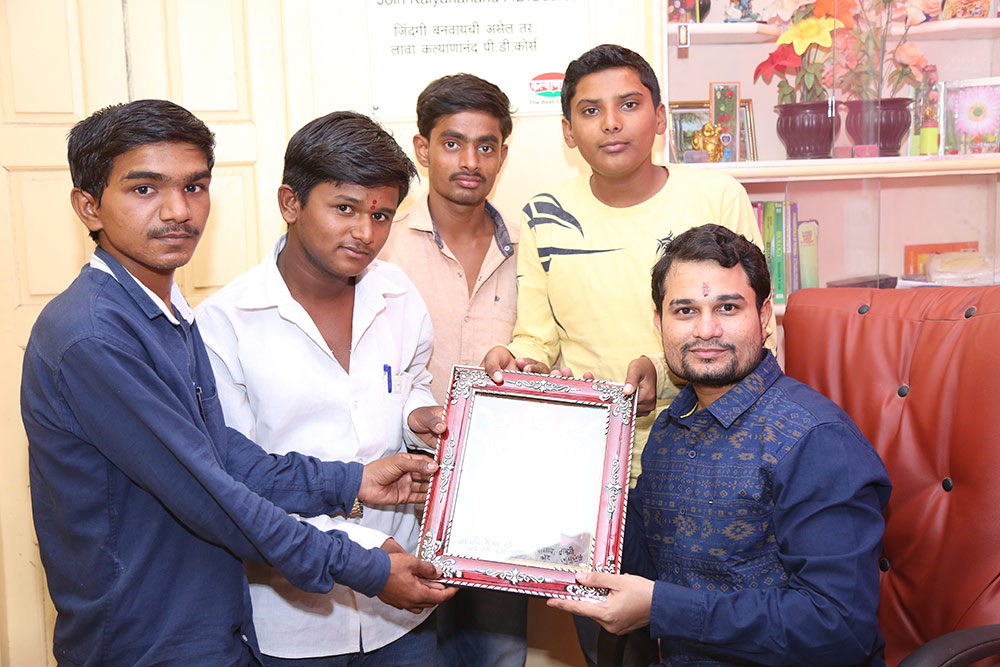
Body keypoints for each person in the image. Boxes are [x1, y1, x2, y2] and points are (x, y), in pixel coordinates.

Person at [20, 99, 454, 667]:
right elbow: (212, 493)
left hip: (207, 621)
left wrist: (352, 481)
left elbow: (222, 453)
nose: (178, 211)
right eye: (144, 189)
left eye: (194, 187)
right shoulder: (94, 335)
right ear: (89, 206)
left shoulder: (164, 313)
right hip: (146, 636)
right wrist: (364, 565)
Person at [481, 43, 775, 665]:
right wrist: (519, 366)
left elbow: (747, 321)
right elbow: (538, 336)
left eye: (629, 105)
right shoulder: (544, 214)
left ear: (660, 117)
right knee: (615, 649)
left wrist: (662, 371)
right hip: (597, 481)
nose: (611, 123)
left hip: (713, 467)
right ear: (568, 131)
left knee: (718, 635)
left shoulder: (715, 195)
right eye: (591, 110)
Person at [548, 224, 892, 666]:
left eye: (727, 307)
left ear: (764, 317)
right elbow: (642, 568)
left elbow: (839, 627)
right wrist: (573, 443)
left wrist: (663, 608)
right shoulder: (671, 428)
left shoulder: (815, 441)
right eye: (685, 311)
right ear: (658, 323)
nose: (706, 330)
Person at [196, 110, 454, 666]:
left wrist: (418, 417)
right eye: (345, 209)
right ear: (291, 202)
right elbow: (237, 480)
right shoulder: (223, 323)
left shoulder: (397, 292)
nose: (366, 233)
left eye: (381, 215)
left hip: (401, 609)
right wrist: (369, 556)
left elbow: (410, 381)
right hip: (294, 617)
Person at [379, 74, 527, 665]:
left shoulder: (529, 251)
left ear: (503, 155)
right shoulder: (380, 246)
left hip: (498, 498)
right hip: (399, 493)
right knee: (404, 652)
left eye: (486, 146)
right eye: (452, 143)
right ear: (422, 148)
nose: (470, 161)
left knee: (496, 653)